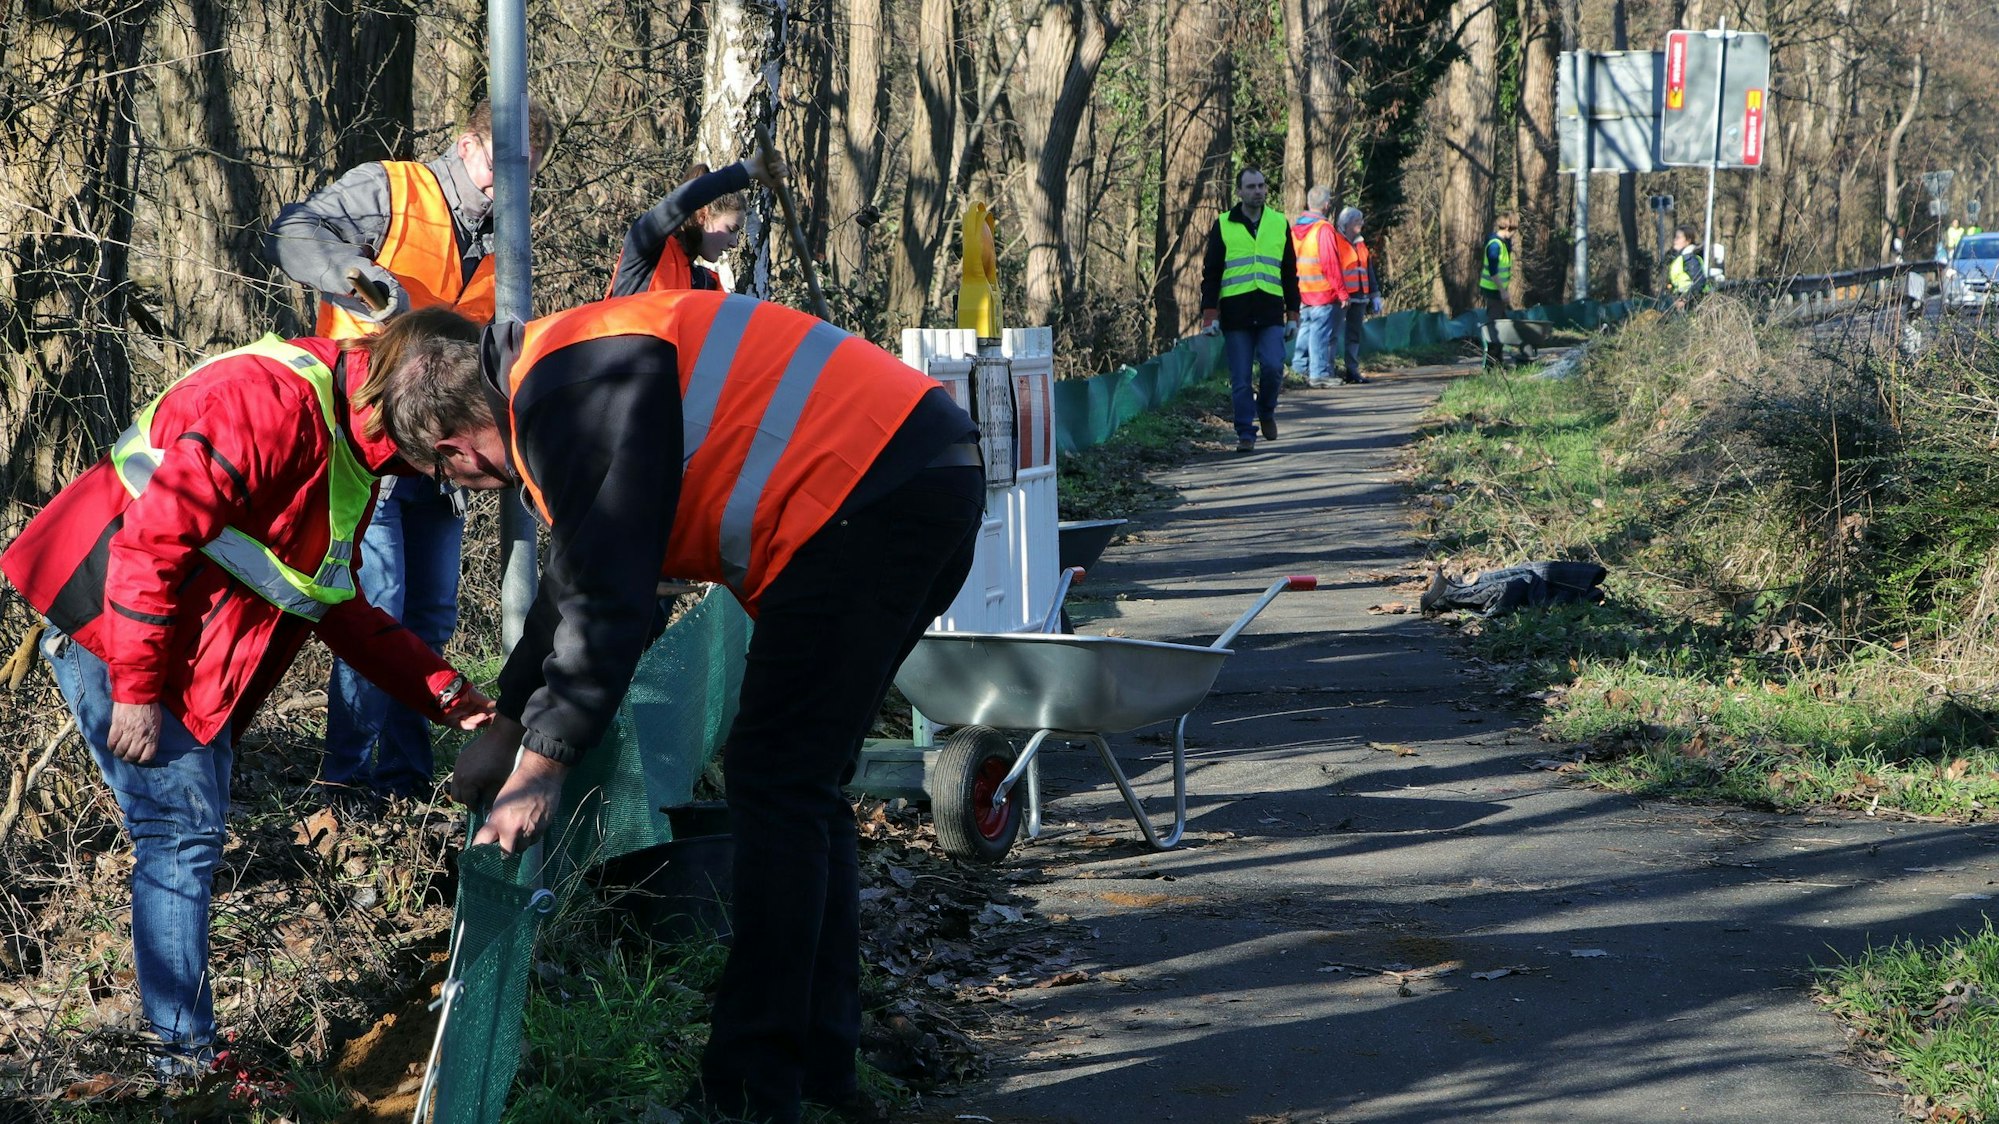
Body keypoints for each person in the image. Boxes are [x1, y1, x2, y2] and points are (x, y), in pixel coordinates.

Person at [365, 290, 984, 1124]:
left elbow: (613, 601)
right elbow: (577, 584)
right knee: (799, 785)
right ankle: (815, 1074)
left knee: (778, 782)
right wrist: (507, 726)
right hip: (903, 481)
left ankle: (750, 1092)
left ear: (450, 448)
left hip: (864, 502)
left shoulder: (568, 392)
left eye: (447, 478)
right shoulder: (560, 369)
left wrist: (543, 766)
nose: (469, 489)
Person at [0, 317, 497, 1076]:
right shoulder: (267, 403)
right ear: (437, 425)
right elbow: (149, 542)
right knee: (179, 832)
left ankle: (184, 1054)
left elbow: (332, 601)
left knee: (186, 829)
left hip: (181, 650)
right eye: (467, 462)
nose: (460, 477)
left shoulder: (353, 442)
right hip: (110, 624)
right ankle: (184, 1066)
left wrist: (449, 696)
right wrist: (133, 691)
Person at [264, 100, 551, 802]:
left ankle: (404, 781)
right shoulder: (393, 188)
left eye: (523, 178)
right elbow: (296, 230)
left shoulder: (506, 242)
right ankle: (347, 783)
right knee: (379, 613)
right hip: (367, 445)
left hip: (442, 462)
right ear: (466, 146)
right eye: (496, 169)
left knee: (428, 622)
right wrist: (361, 280)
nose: (502, 190)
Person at [1200, 167, 1299, 453]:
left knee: (1272, 366)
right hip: (1236, 314)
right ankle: (1246, 432)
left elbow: (1290, 272)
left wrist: (1293, 314)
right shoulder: (1224, 224)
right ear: (1240, 191)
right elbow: (1212, 273)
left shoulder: (1279, 223)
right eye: (1252, 187)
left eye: (1262, 186)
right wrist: (1210, 314)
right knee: (1241, 379)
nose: (1258, 191)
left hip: (1270, 311)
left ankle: (1266, 410)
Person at [608, 150, 787, 297]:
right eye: (731, 229)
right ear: (703, 216)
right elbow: (682, 202)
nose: (734, 243)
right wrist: (747, 170)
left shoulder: (704, 285)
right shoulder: (646, 244)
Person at [1290, 186, 1347, 388]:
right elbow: (1330, 263)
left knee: (1305, 329)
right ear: (1326, 205)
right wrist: (1342, 292)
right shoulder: (1323, 229)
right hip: (1322, 290)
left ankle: (1298, 369)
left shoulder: (1296, 229)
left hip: (1302, 288)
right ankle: (1319, 373)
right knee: (1319, 332)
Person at [1331, 206, 1382, 385]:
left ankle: (1352, 370)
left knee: (1354, 335)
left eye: (1361, 220)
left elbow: (1369, 271)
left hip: (1360, 297)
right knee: (1333, 334)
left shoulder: (1361, 244)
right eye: (1356, 221)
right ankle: (1328, 371)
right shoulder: (1335, 241)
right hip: (1340, 298)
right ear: (1345, 224)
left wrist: (1375, 295)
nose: (1361, 223)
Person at [1480, 213, 1516, 366]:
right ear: (1508, 227)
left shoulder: (1502, 243)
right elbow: (1494, 271)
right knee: (1495, 327)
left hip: (1497, 292)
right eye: (1514, 229)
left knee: (1501, 325)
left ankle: (1498, 361)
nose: (1515, 233)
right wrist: (1503, 291)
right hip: (1493, 291)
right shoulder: (1495, 245)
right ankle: (1491, 363)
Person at [1667, 224, 1707, 309]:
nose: (1675, 240)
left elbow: (1699, 282)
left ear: (1688, 240)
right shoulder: (1681, 258)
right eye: (1675, 237)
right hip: (1685, 301)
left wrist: (1684, 299)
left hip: (1692, 303)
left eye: (1678, 238)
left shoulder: (1690, 258)